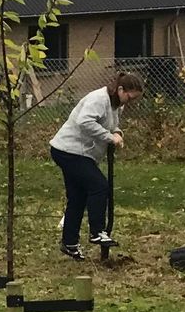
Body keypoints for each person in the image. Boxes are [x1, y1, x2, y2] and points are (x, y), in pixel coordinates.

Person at [49, 69, 144, 259]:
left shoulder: (116, 104)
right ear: (120, 89)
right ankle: (97, 232)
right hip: (68, 151)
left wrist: (117, 133)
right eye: (130, 97)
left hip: (80, 153)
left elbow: (111, 125)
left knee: (78, 197)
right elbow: (85, 122)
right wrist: (109, 137)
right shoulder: (98, 99)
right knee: (99, 186)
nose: (131, 102)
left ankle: (69, 243)